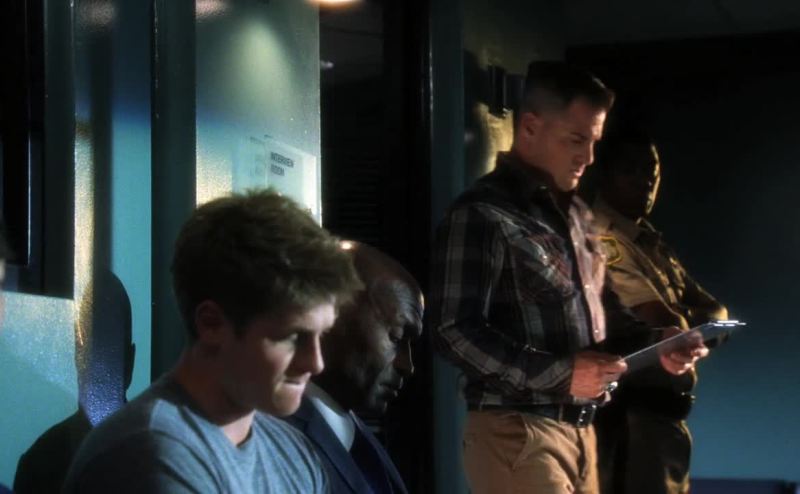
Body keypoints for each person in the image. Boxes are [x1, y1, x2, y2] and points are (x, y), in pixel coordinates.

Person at [428, 61, 709, 494]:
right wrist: (561, 374)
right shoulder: (482, 213)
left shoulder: (576, 215)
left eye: (594, 141)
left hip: (584, 432)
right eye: (577, 139)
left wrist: (660, 344)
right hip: (518, 433)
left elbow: (608, 318)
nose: (589, 157)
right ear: (530, 127)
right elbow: (452, 331)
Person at [63, 189, 362, 493]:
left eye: (321, 335)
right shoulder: (150, 457)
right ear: (212, 324)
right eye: (292, 337)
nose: (315, 363)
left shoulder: (294, 454)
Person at [592, 134, 728, 494]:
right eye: (631, 170)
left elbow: (718, 314)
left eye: (651, 170)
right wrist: (688, 322)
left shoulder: (648, 240)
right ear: (605, 175)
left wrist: (683, 321)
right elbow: (663, 323)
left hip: (665, 420)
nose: (645, 180)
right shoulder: (604, 240)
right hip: (630, 423)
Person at [285, 240, 423, 494]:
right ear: (331, 318)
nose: (407, 365)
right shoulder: (273, 437)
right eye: (396, 337)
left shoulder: (355, 435)